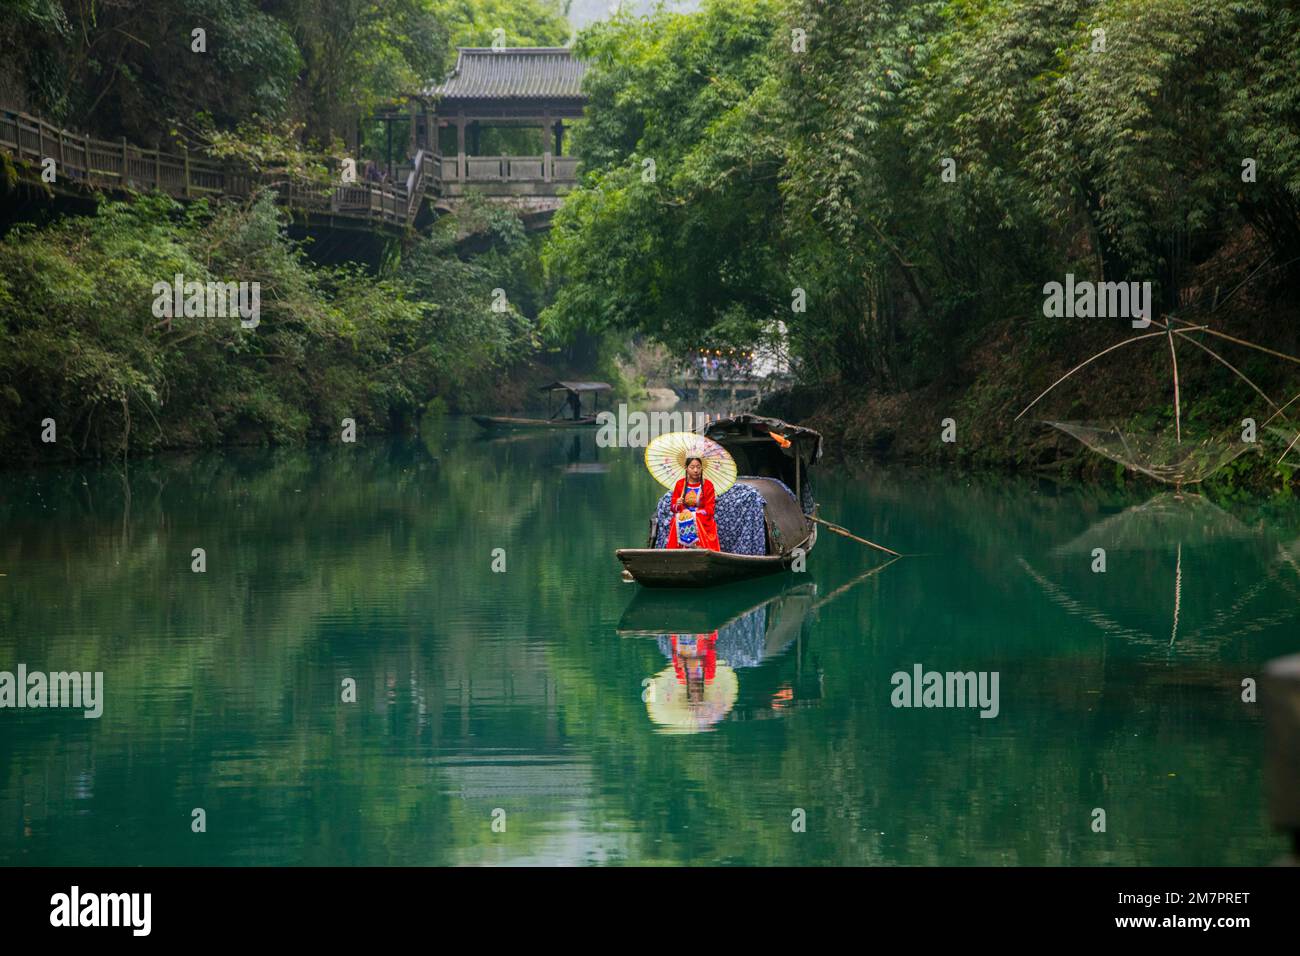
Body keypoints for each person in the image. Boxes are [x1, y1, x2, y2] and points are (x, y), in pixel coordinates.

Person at [666, 456, 721, 551]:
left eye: (698, 467)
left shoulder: (708, 485)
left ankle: (698, 548)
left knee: (695, 518)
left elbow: (710, 509)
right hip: (684, 514)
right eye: (692, 467)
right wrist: (678, 504)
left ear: (702, 468)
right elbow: (673, 507)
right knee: (676, 519)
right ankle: (677, 550)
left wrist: (695, 514)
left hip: (701, 517)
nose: (696, 470)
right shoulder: (680, 484)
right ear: (686, 468)